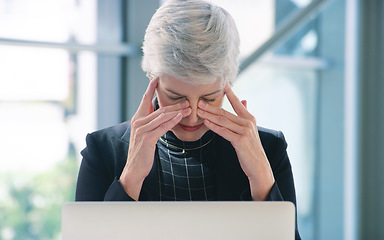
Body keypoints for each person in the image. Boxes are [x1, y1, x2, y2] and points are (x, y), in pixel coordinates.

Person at [75, 0, 301, 239]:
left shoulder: (268, 149)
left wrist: (262, 181)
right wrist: (130, 178)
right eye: (176, 98)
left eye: (209, 99)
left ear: (228, 85)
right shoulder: (103, 151)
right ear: (153, 78)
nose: (192, 115)